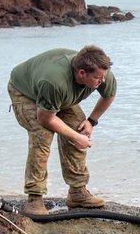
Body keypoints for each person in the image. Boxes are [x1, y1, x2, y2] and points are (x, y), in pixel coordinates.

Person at [7, 45, 117, 215]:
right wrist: (74, 137)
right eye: (98, 78)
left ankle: (77, 192)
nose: (102, 81)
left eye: (103, 76)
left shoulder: (101, 72)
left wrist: (91, 121)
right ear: (82, 73)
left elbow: (108, 95)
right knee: (42, 135)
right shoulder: (55, 82)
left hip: (55, 95)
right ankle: (34, 198)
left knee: (79, 128)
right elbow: (45, 118)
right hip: (25, 92)